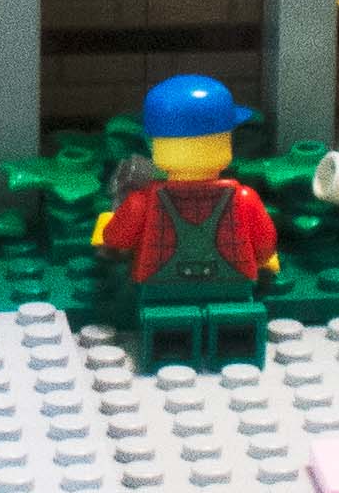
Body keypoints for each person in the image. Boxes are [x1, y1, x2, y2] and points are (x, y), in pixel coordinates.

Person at [87, 69, 286, 369]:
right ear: (225, 141)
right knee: (235, 321)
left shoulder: (143, 200)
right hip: (232, 288)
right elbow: (265, 244)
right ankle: (232, 347)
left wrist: (110, 229)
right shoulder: (244, 198)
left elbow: (116, 239)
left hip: (160, 289)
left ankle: (169, 347)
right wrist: (260, 261)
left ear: (156, 144)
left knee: (164, 323)